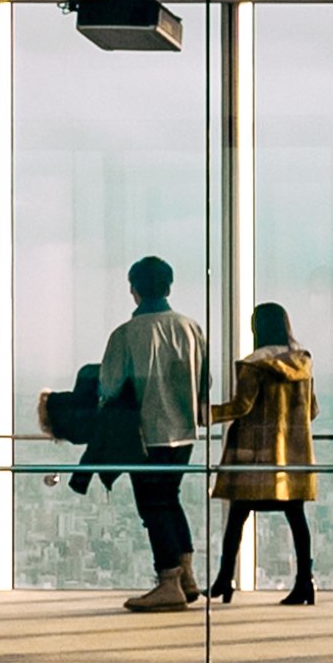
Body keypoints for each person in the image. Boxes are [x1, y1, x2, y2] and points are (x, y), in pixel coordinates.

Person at [101, 254, 214, 613]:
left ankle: (168, 580)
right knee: (170, 498)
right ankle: (186, 576)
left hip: (146, 435)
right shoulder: (191, 328)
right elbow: (205, 381)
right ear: (169, 287)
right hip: (184, 433)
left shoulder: (126, 334)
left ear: (133, 289)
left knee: (153, 506)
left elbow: (110, 386)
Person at [211, 300, 322, 606]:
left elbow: (241, 407)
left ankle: (224, 579)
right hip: (292, 458)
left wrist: (204, 414)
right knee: (297, 518)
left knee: (237, 517)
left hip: (255, 456)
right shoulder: (303, 364)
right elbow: (311, 410)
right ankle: (305, 582)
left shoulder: (253, 365)